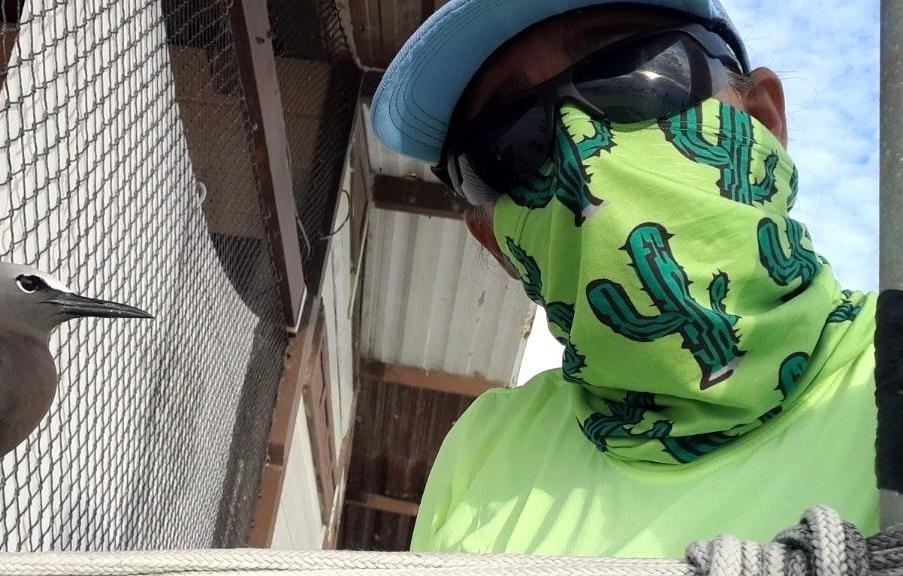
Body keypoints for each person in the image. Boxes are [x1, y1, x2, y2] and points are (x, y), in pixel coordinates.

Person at [369, 0, 878, 558]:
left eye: (636, 74)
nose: (578, 145)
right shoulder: (484, 448)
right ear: (496, 245)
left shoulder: (888, 368)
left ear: (763, 117)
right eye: (506, 143)